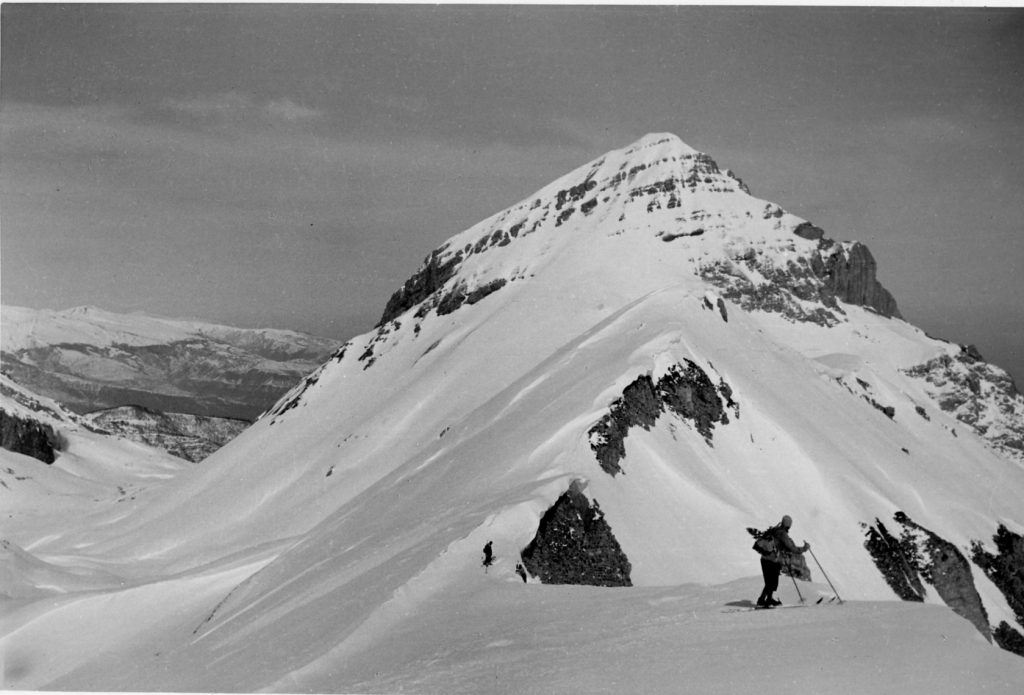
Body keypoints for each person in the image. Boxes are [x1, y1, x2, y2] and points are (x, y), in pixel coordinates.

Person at [757, 515, 810, 608]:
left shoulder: (774, 530)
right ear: (788, 525)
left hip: (764, 558)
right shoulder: (782, 534)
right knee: (772, 582)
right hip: (772, 560)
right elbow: (792, 548)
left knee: (770, 581)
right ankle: (766, 601)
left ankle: (764, 599)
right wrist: (804, 548)